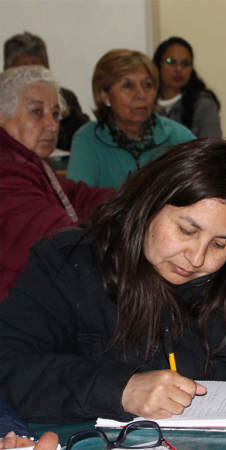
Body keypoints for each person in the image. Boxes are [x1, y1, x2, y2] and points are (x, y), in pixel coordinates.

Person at [0, 138, 226, 423]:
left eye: (220, 244)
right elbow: (9, 363)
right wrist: (120, 389)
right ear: (148, 205)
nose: (197, 258)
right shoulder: (68, 264)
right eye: (186, 231)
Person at [0, 65, 112, 302]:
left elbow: (76, 196)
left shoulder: (29, 160)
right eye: (37, 112)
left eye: (55, 114)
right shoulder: (6, 168)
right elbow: (58, 241)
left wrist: (137, 198)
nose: (52, 126)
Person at [67, 49, 195, 189]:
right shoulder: (88, 139)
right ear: (105, 95)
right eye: (128, 85)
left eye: (147, 85)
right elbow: (77, 202)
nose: (141, 94)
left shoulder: (180, 138)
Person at [3, 31, 89, 151]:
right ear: (7, 72)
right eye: (23, 70)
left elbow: (84, 140)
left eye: (36, 69)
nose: (30, 76)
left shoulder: (65, 96)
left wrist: (65, 113)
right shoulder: (3, 99)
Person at [152, 37, 222, 138]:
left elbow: (211, 150)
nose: (178, 69)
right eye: (170, 61)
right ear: (157, 64)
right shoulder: (145, 102)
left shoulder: (203, 105)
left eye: (185, 64)